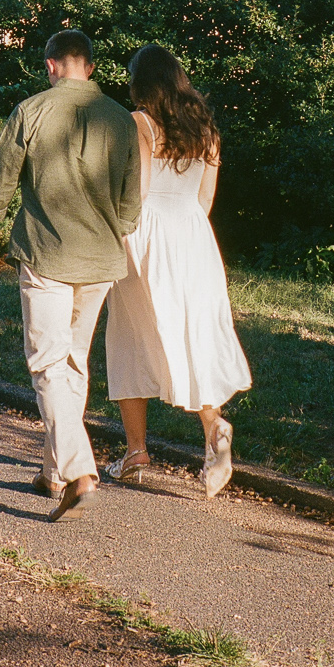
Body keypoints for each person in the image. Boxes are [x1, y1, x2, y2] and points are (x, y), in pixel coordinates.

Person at [0, 29, 141, 519]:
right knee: (72, 365)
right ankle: (54, 473)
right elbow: (132, 205)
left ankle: (79, 469)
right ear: (88, 65)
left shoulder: (32, 110)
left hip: (46, 255)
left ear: (50, 66)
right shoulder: (121, 121)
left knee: (46, 363)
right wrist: (112, 229)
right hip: (101, 260)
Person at [104, 44, 252, 498]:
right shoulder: (206, 131)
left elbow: (139, 189)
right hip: (194, 236)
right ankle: (213, 427)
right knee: (191, 333)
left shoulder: (139, 124)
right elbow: (205, 200)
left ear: (142, 82)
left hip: (147, 234)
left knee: (129, 336)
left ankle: (135, 451)